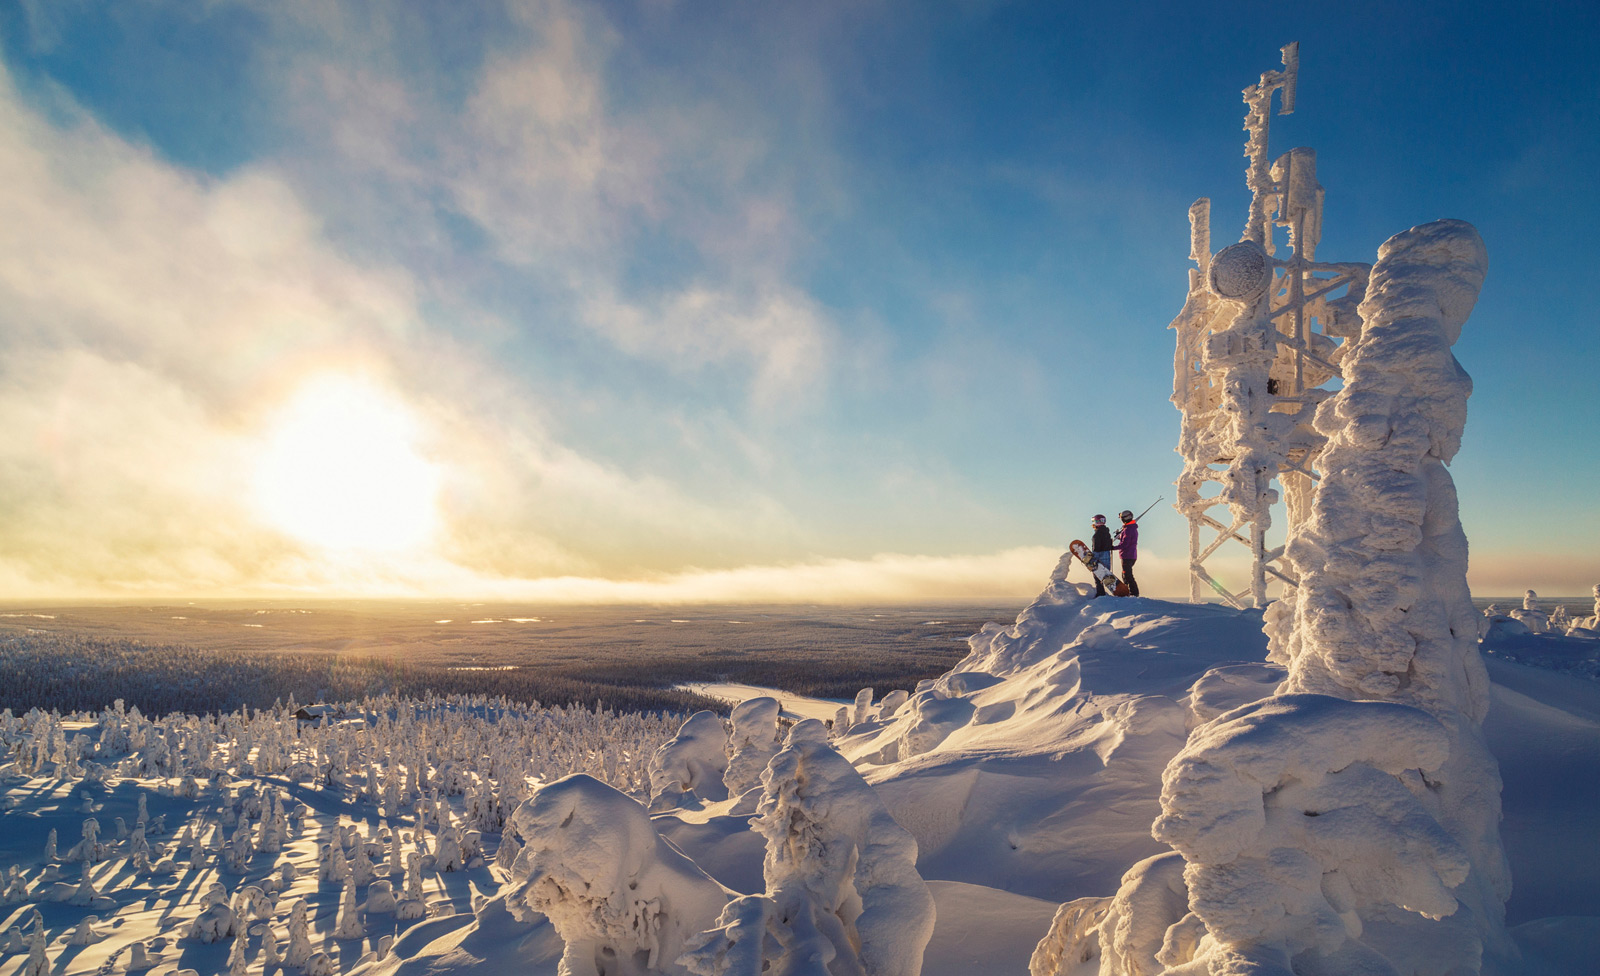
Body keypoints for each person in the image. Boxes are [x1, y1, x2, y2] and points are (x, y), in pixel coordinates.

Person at [1115, 509, 1140, 597]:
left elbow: (1124, 544)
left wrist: (1112, 547)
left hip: (1127, 555)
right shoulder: (1130, 528)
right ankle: (1128, 591)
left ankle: (1134, 593)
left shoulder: (1128, 530)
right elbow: (1127, 540)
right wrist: (1120, 536)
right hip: (1130, 555)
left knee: (1127, 575)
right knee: (1125, 574)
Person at [1090, 515, 1115, 596]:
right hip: (1106, 556)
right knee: (1104, 575)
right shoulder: (1107, 533)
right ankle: (1103, 593)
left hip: (1099, 557)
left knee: (1097, 577)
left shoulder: (1097, 534)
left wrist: (1093, 559)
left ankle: (1100, 594)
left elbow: (1096, 548)